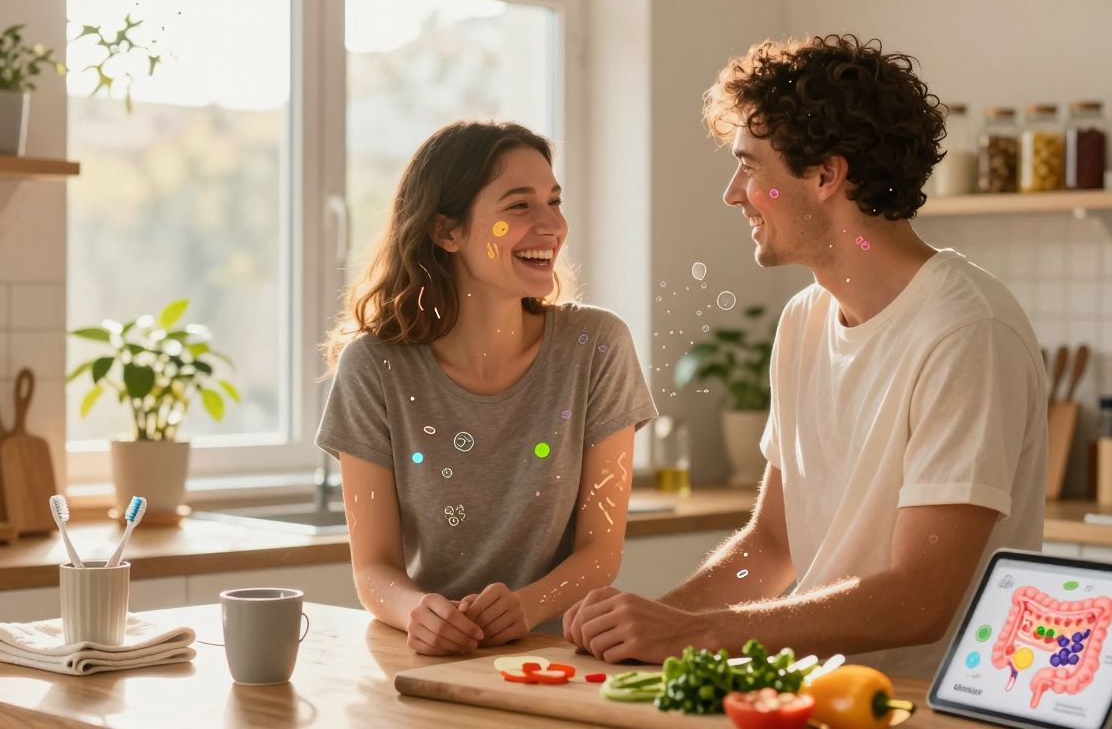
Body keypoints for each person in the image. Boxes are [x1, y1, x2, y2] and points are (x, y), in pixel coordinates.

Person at [564, 34, 1047, 679]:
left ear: (826, 174)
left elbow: (922, 599)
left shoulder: (966, 331)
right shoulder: (805, 319)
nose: (732, 193)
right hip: (822, 695)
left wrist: (698, 634)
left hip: (934, 705)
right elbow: (771, 547)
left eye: (750, 166)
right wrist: (640, 627)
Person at [317, 121, 656, 656]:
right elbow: (373, 568)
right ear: (447, 231)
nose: (553, 226)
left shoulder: (597, 346)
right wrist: (417, 612)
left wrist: (527, 606)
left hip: (556, 658)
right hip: (428, 657)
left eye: (554, 200)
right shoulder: (373, 368)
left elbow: (599, 553)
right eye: (520, 206)